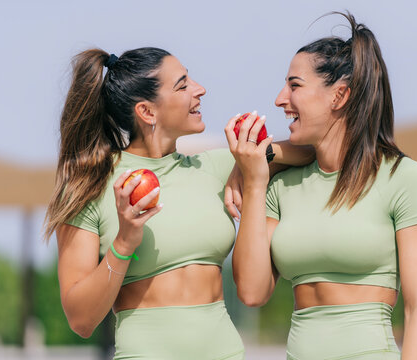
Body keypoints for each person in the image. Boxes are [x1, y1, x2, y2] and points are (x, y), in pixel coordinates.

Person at [44, 47, 312, 359]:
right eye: (183, 85)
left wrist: (252, 159)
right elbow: (81, 319)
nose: (200, 89)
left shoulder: (215, 167)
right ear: (147, 112)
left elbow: (313, 151)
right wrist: (124, 243)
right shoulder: (90, 185)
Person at [225, 12, 417, 360]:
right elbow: (251, 292)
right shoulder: (281, 186)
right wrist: (254, 180)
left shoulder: (404, 178)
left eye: (294, 85)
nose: (280, 98)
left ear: (339, 96)